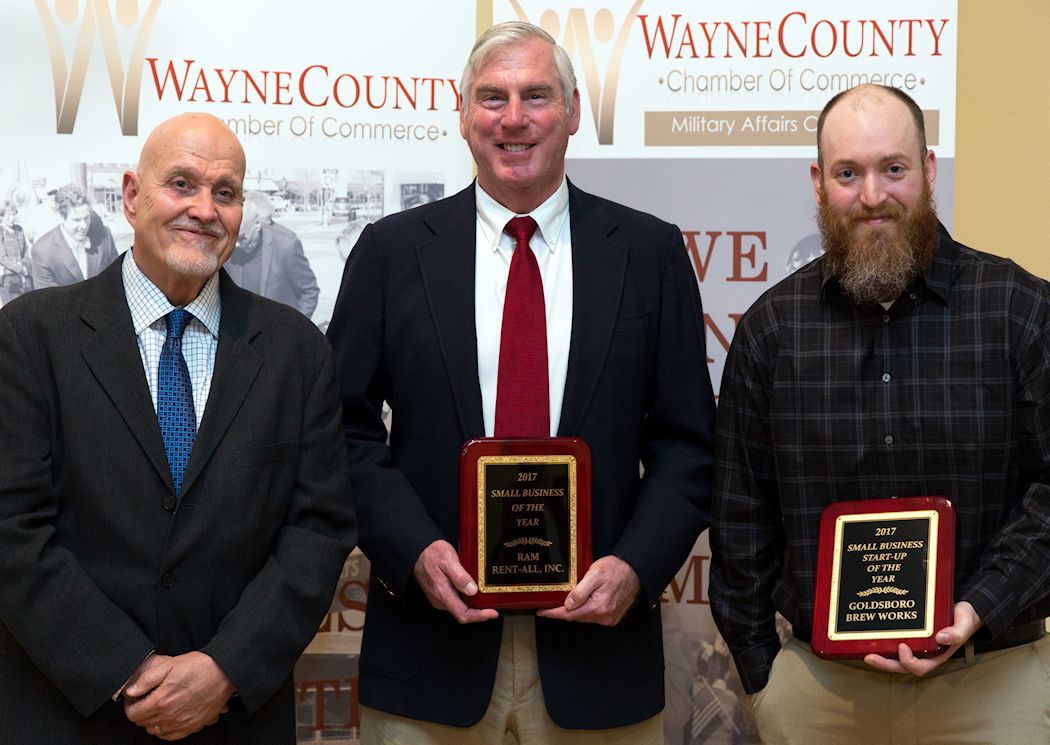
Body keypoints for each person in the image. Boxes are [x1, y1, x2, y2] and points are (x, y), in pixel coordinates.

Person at [326, 21, 715, 744]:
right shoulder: (390, 252)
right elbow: (340, 429)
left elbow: (688, 444)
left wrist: (635, 566)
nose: (513, 118)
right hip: (429, 653)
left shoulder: (649, 252)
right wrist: (412, 548)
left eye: (536, 95)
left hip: (600, 659)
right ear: (463, 114)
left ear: (572, 111)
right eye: (492, 97)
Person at [0, 113, 357, 743]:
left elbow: (317, 529)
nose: (203, 209)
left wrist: (224, 669)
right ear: (133, 196)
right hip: (68, 711)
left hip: (234, 716)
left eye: (225, 193)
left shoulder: (296, 351)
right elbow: (12, 528)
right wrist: (126, 670)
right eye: (182, 184)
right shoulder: (31, 336)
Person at [710, 84, 1050, 744]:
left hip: (992, 687)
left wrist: (979, 607)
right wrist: (765, 680)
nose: (872, 196)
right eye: (848, 173)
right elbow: (740, 517)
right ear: (819, 182)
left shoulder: (1020, 311)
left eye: (893, 168)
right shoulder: (771, 331)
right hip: (821, 697)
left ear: (927, 169)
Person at [227, 191, 319, 319]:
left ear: (257, 225)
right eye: (233, 238)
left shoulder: (286, 245)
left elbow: (309, 292)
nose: (236, 245)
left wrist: (294, 330)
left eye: (242, 238)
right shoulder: (227, 246)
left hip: (278, 331)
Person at [29, 183, 117, 289]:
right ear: (61, 217)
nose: (84, 226)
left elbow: (115, 280)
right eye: (76, 220)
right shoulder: (42, 251)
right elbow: (47, 301)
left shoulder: (104, 237)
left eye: (86, 218)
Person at [0, 200, 28, 304]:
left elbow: (25, 252)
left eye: (13, 214)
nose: (12, 218)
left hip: (23, 275)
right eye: (9, 215)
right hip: (7, 278)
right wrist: (19, 268)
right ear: (2, 215)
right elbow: (2, 257)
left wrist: (25, 267)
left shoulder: (19, 229)